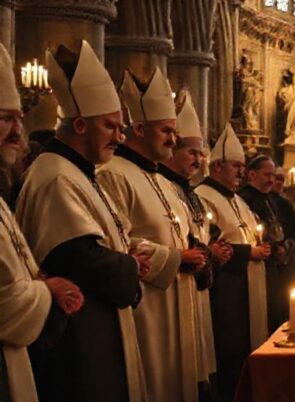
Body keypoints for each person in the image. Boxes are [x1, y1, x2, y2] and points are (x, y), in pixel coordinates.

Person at [16, 40, 146, 402]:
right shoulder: (57, 175)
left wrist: (125, 252)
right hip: (80, 330)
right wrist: (130, 265)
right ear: (79, 125)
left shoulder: (79, 171)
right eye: (111, 126)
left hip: (97, 318)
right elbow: (77, 255)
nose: (120, 137)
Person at [98, 67, 203, 402]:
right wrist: (175, 257)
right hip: (149, 306)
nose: (173, 140)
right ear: (139, 129)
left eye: (174, 132)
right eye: (167, 131)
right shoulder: (112, 174)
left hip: (180, 298)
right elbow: (116, 240)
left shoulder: (162, 180)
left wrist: (194, 252)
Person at [0, 43, 84, 402]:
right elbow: (6, 305)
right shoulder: (54, 174)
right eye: (6, 118)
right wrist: (47, 290)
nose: (20, 131)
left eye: (20, 117)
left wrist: (38, 280)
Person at [159, 90, 230, 401]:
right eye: (192, 153)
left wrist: (214, 246)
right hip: (166, 297)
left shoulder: (187, 190)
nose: (199, 160)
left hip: (196, 289)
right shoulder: (162, 184)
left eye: (202, 154)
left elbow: (202, 228)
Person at [195, 124, 271, 402]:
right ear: (216, 167)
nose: (241, 172)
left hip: (248, 281)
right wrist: (248, 253)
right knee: (230, 348)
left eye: (242, 166)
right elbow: (210, 243)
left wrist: (260, 247)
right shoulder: (203, 196)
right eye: (235, 166)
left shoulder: (236, 198)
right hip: (226, 286)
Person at [239, 155, 295, 334]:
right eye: (267, 175)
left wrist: (285, 246)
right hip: (260, 264)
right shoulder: (245, 199)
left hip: (277, 267)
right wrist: (274, 249)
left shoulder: (271, 198)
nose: (271, 180)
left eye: (273, 175)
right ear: (251, 174)